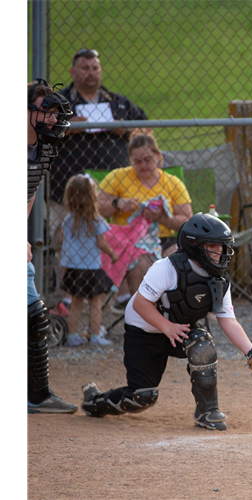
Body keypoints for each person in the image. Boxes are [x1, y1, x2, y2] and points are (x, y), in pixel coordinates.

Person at [81, 214, 252, 430]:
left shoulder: (219, 278)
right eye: (213, 245)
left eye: (222, 246)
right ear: (194, 246)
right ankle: (94, 401)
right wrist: (166, 327)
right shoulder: (166, 268)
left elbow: (228, 321)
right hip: (144, 330)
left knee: (202, 345)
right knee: (142, 397)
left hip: (179, 328)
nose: (219, 252)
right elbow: (140, 303)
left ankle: (207, 412)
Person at [49, 48, 149, 253]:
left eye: (95, 67)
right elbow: (39, 133)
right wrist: (67, 127)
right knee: (64, 245)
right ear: (72, 71)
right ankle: (63, 283)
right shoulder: (58, 104)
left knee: (113, 245)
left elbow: (147, 131)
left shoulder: (118, 103)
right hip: (66, 190)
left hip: (114, 190)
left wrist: (125, 130)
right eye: (84, 68)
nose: (91, 72)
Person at [27, 78, 77, 414]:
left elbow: (28, 194)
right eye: (45, 112)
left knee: (33, 314)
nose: (52, 120)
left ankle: (38, 395)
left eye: (56, 113)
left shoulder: (44, 149)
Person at [96, 132, 193, 303]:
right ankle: (142, 313)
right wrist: (117, 203)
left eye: (147, 159)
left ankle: (174, 310)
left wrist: (162, 218)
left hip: (166, 238)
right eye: (137, 161)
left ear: (158, 155)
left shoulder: (172, 182)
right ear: (131, 160)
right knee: (142, 262)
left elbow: (187, 220)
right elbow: (94, 208)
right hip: (132, 242)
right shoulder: (119, 177)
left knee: (179, 257)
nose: (143, 165)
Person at [60, 174, 119, 347]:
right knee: (95, 301)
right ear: (93, 197)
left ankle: (72, 336)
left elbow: (62, 239)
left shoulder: (68, 219)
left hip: (72, 266)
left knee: (76, 301)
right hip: (91, 267)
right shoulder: (96, 220)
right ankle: (95, 336)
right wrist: (113, 254)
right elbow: (101, 242)